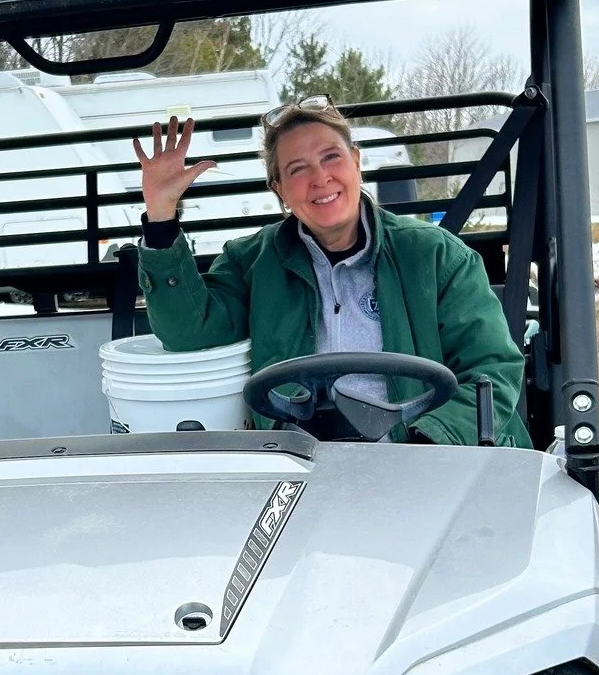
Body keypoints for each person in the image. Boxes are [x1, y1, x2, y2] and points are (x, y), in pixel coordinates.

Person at [131, 97, 531, 445]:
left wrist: (426, 442)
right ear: (279, 190)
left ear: (356, 162)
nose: (320, 178)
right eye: (297, 169)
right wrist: (161, 213)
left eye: (331, 157)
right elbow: (188, 332)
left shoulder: (437, 256)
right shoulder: (251, 261)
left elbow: (492, 370)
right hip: (304, 459)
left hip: (420, 452)